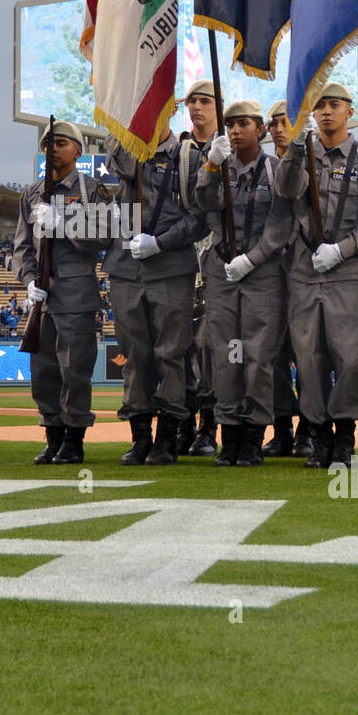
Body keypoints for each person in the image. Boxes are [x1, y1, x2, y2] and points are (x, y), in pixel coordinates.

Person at [274, 83, 358, 468]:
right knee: (308, 359)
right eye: (319, 105)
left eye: (334, 105)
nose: (325, 112)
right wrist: (295, 149)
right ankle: (319, 436)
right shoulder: (301, 155)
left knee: (352, 360)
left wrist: (343, 249)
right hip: (305, 274)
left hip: (351, 275)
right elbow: (287, 191)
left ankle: (345, 434)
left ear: (349, 112)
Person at [104, 110, 206, 465]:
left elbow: (200, 218)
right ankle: (140, 437)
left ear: (170, 110)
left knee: (170, 355)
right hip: (126, 270)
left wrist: (161, 242)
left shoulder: (188, 158)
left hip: (170, 268)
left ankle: (167, 438)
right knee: (135, 357)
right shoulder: (126, 153)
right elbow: (113, 152)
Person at [197, 99, 295, 465]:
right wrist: (211, 166)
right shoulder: (220, 166)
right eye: (231, 124)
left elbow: (281, 225)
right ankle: (230, 433)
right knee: (228, 355)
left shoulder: (275, 170)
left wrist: (250, 259)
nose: (236, 130)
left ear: (261, 130)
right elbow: (202, 203)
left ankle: (253, 435)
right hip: (223, 274)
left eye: (244, 124)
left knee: (257, 358)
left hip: (262, 275)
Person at [14, 121, 112, 465]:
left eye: (60, 142)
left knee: (75, 371)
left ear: (78, 150)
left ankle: (74, 440)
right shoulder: (32, 193)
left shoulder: (91, 190)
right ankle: (52, 436)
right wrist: (28, 280)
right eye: (48, 144)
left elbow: (103, 238)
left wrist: (65, 224)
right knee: (44, 374)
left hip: (76, 292)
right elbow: (22, 247)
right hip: (43, 297)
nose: (52, 149)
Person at [259, 100, 306, 458]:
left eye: (285, 122)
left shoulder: (313, 163)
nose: (278, 128)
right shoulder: (262, 168)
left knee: (309, 355)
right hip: (269, 272)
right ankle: (282, 428)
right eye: (273, 123)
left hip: (305, 269)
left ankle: (308, 427)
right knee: (272, 356)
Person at [177, 79, 221, 456]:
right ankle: (182, 425)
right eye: (192, 101)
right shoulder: (179, 150)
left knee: (208, 347)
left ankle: (209, 426)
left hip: (217, 255)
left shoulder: (231, 148)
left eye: (205, 101)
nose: (196, 108)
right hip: (180, 255)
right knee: (179, 347)